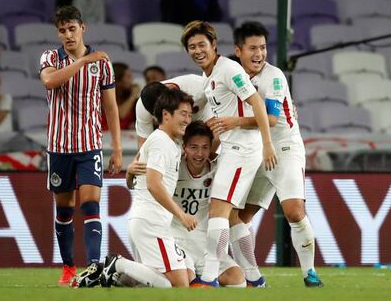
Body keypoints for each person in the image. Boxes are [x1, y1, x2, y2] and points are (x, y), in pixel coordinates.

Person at [210, 21, 323, 287]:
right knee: (238, 216)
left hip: (282, 147)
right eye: (253, 48)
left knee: (294, 211)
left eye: (262, 48)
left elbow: (271, 119)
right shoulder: (231, 73)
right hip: (254, 149)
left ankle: (310, 272)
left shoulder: (273, 75)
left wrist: (233, 121)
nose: (259, 54)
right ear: (238, 50)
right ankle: (249, 274)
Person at [181, 20, 277, 287]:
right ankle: (255, 277)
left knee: (218, 211)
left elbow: (256, 102)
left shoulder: (229, 69)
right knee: (232, 216)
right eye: (192, 47)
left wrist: (267, 144)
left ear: (214, 45)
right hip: (231, 149)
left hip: (243, 150)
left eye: (202, 44)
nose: (197, 50)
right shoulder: (209, 76)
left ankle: (209, 277)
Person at [39, 5, 122, 287]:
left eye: (72, 29)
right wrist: (84, 62)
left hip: (89, 146)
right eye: (62, 30)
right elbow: (50, 82)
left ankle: (95, 266)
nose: (68, 35)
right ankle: (68, 267)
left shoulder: (103, 64)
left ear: (82, 28)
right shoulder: (51, 56)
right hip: (59, 146)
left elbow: (110, 108)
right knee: (64, 210)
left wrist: (118, 149)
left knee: (90, 204)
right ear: (58, 33)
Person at [119, 120, 246, 288]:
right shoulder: (173, 165)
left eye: (205, 147)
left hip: (204, 241)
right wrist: (129, 172)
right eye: (194, 147)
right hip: (176, 237)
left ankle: (130, 278)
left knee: (237, 281)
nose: (199, 154)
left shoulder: (218, 169)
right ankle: (126, 275)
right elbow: (139, 179)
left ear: (211, 148)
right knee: (185, 282)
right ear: (184, 147)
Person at [127, 88, 197, 287]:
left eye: (190, 115)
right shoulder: (161, 142)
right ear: (166, 115)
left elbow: (133, 182)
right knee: (179, 283)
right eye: (183, 114)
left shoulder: (166, 142)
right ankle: (116, 265)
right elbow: (153, 184)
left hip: (145, 220)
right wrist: (181, 215)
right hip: (152, 222)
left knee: (152, 285)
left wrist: (129, 173)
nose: (187, 120)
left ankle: (115, 273)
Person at [135, 74, 209, 147]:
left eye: (168, 111)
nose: (166, 117)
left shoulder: (200, 87)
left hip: (206, 119)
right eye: (161, 115)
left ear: (172, 89)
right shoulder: (142, 107)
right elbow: (144, 144)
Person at [101, 63, 140, 131]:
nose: (131, 80)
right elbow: (120, 114)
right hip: (106, 135)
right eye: (128, 77)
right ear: (118, 80)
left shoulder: (128, 97)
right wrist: (133, 96)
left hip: (125, 136)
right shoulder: (104, 94)